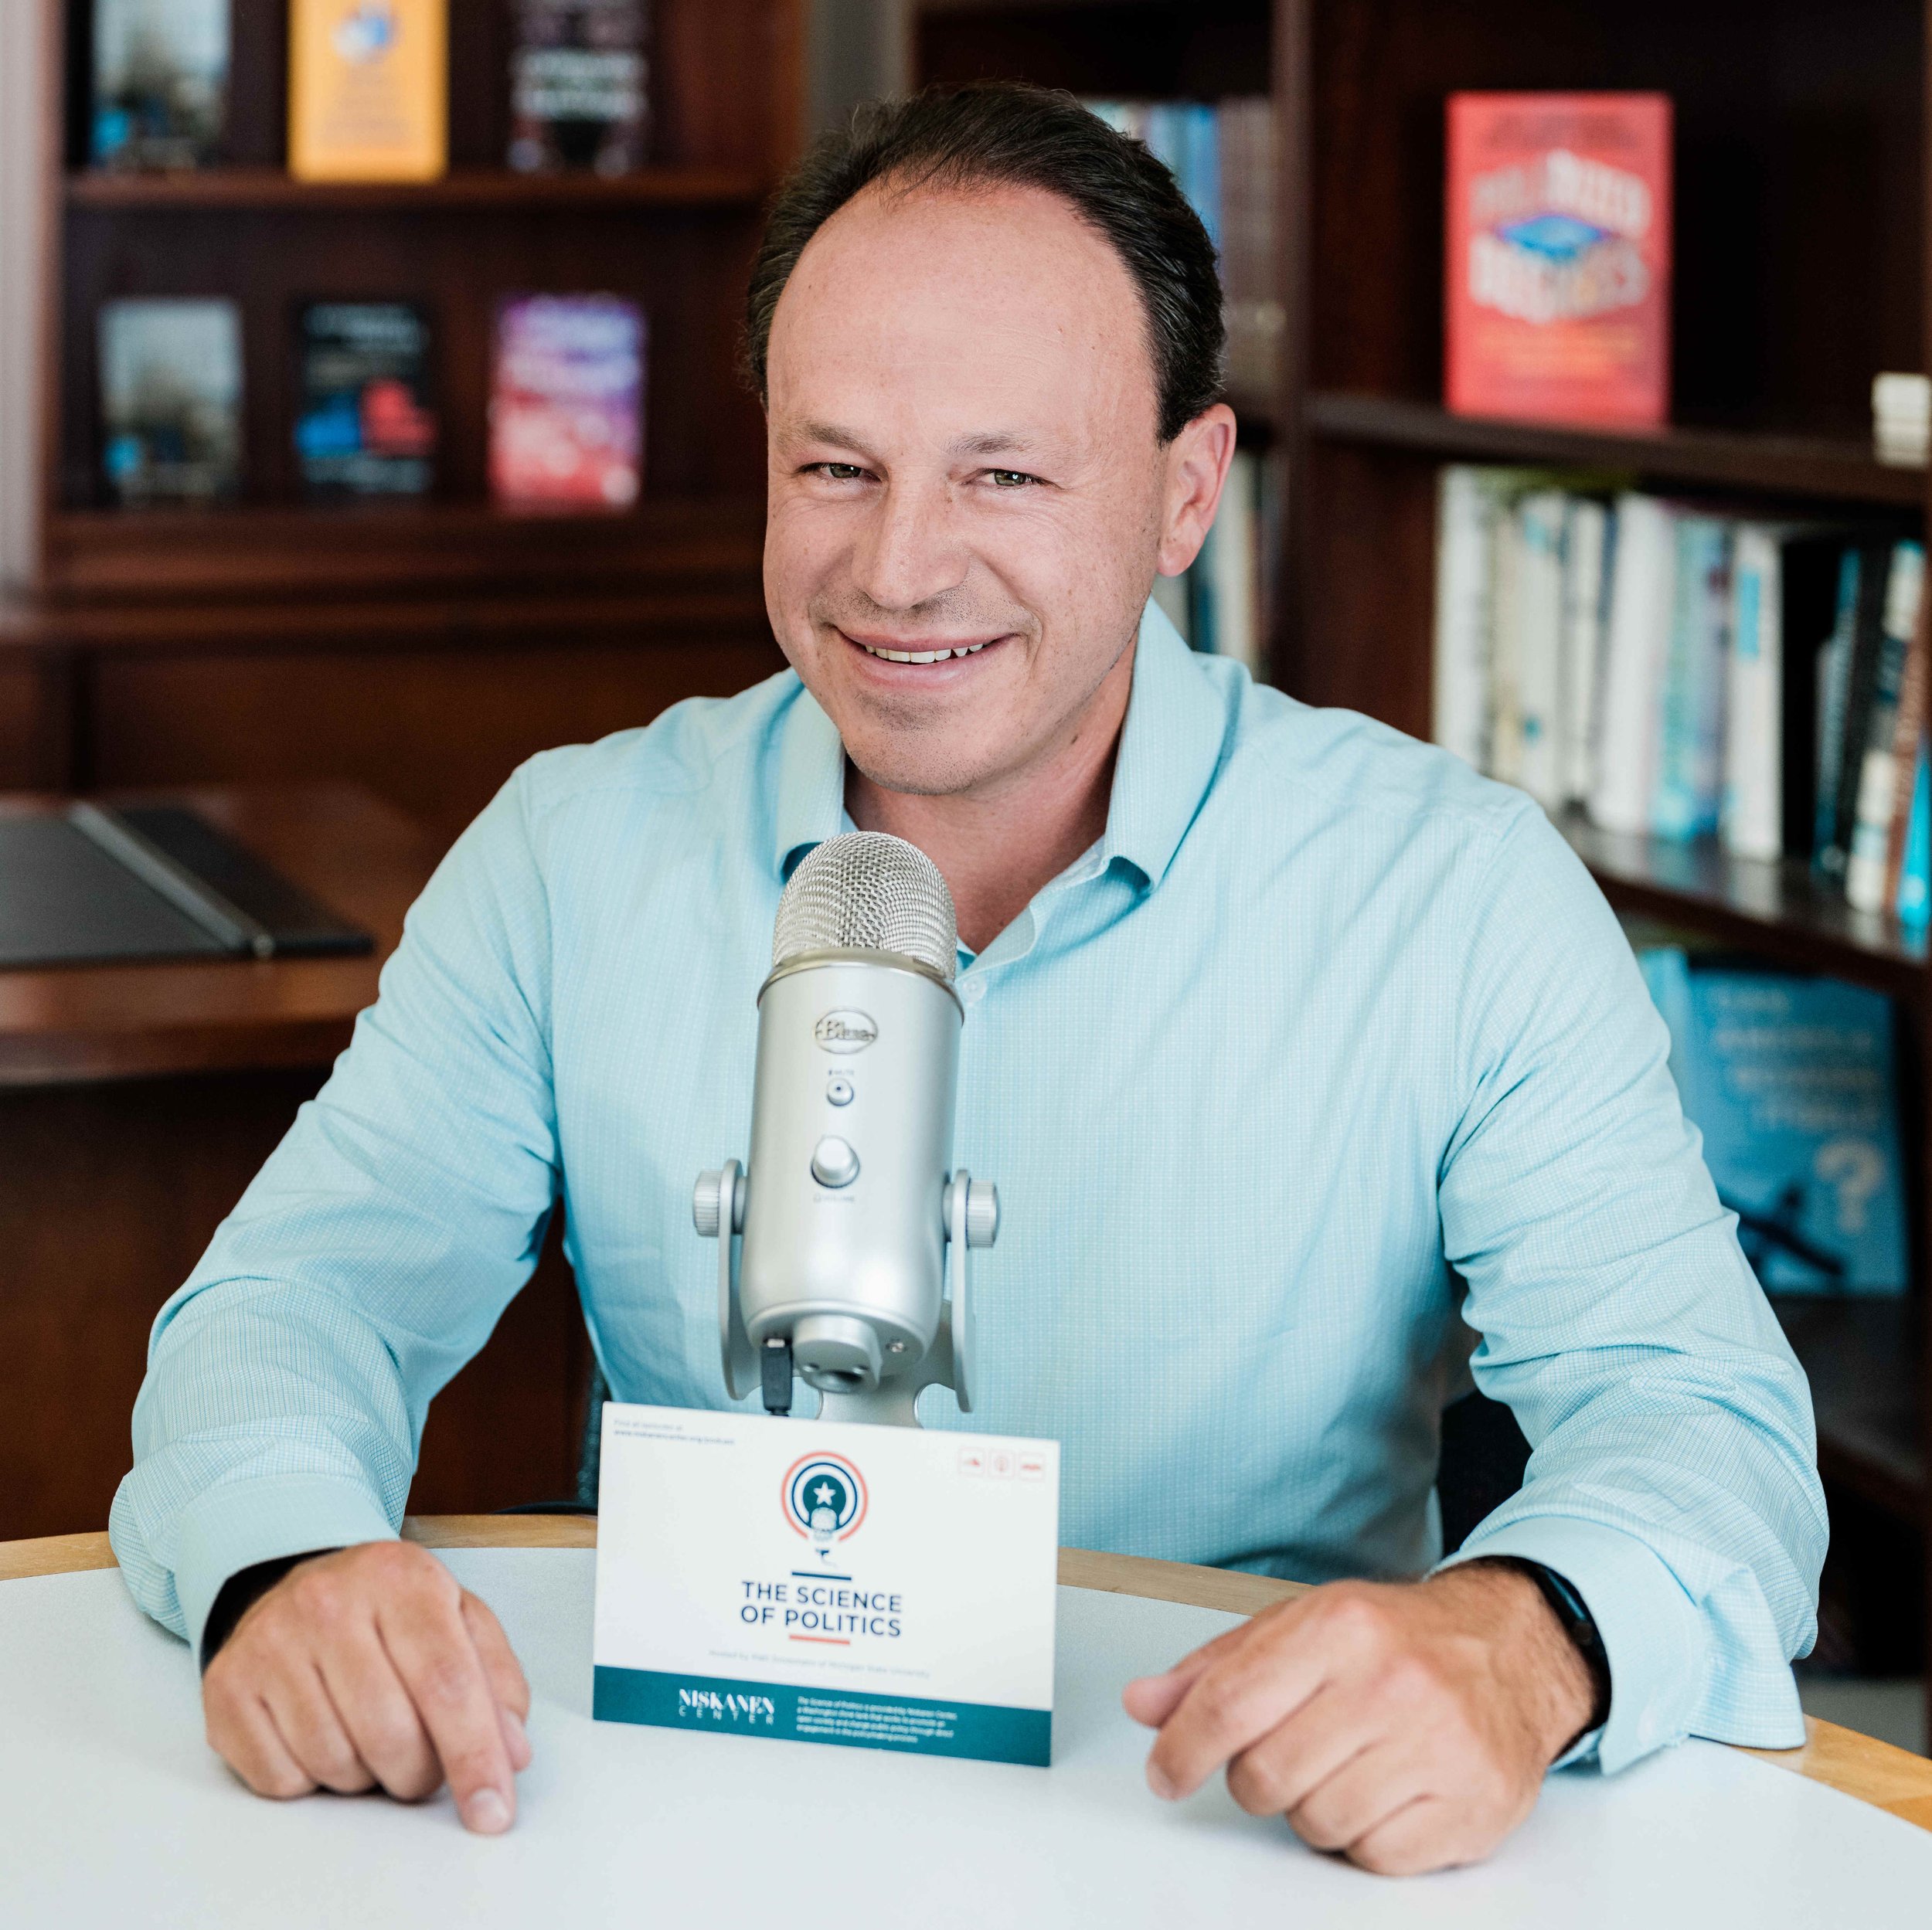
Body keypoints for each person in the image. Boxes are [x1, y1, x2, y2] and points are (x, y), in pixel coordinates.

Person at [111, 84, 1824, 1874]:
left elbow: (1693, 1419)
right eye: (832, 465)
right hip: (672, 1830)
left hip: (1217, 1833)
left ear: (1184, 494)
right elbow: (291, 1306)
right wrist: (285, 1561)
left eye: (1002, 473)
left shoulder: (1449, 893)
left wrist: (1520, 1636)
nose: (896, 567)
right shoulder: (571, 851)